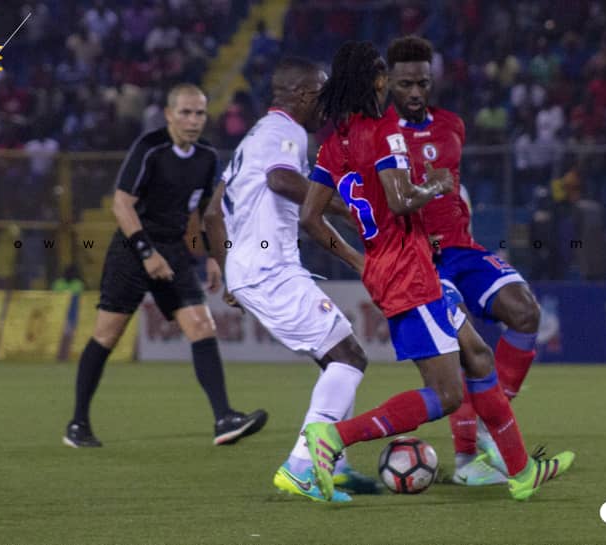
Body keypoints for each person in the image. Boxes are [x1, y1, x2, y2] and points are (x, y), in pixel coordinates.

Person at [300, 41, 573, 502]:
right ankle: (334, 438)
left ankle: (520, 471)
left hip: (390, 268)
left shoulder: (333, 143)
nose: (390, 83)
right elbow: (403, 199)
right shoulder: (385, 130)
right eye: (385, 75)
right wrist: (437, 185)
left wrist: (358, 260)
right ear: (374, 81)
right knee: (446, 394)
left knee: (479, 356)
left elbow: (310, 218)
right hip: (410, 269)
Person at [204, 57, 379, 502]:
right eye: (322, 93)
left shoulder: (254, 138)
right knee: (349, 357)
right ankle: (301, 467)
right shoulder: (287, 134)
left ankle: (333, 466)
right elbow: (282, 180)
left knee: (336, 355)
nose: (327, 104)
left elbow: (212, 213)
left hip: (257, 267)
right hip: (270, 269)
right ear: (303, 95)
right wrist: (341, 205)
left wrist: (230, 267)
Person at [63, 83, 267, 448]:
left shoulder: (206, 157)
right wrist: (146, 253)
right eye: (185, 113)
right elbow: (121, 205)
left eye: (199, 113)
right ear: (170, 115)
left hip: (172, 250)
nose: (193, 120)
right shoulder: (150, 148)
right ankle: (78, 424)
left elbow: (204, 214)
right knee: (107, 335)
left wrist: (211, 258)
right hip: (132, 249)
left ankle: (224, 418)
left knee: (202, 326)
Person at [384, 35, 547, 486]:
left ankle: (494, 433)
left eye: (422, 82)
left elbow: (450, 188)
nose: (415, 92)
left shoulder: (453, 125)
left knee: (526, 311)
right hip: (420, 260)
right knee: (465, 353)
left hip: (462, 249)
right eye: (404, 84)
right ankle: (467, 460)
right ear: (389, 84)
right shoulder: (378, 135)